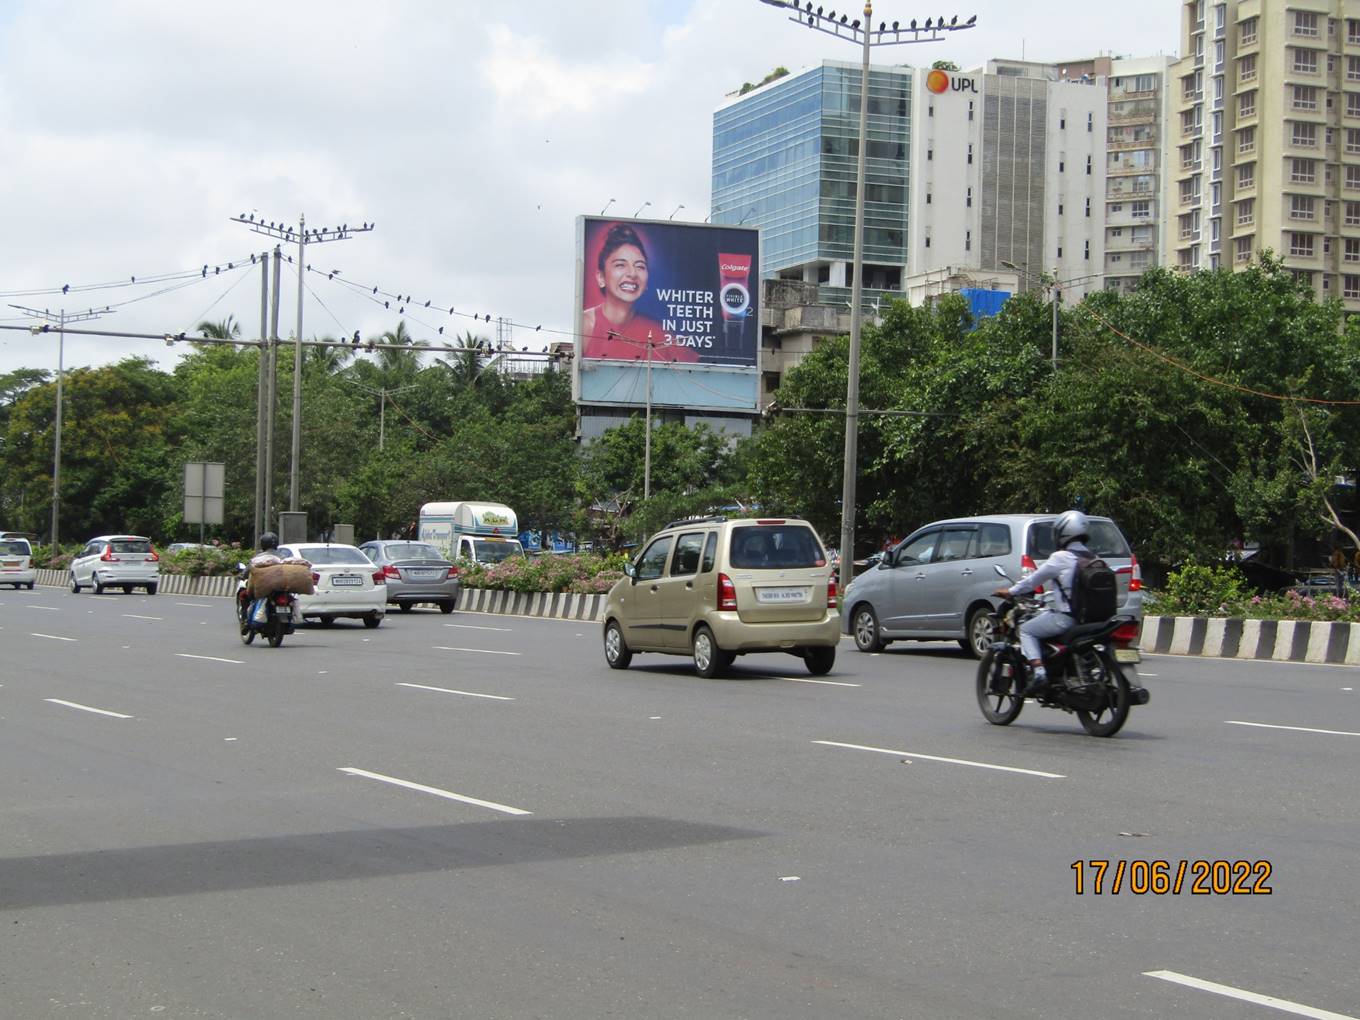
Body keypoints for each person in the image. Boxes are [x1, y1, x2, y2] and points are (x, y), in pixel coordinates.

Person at [992, 510, 1093, 694]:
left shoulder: (1061, 558)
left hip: (1067, 619)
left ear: (1063, 533)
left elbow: (1033, 580)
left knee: (1027, 630)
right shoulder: (1093, 557)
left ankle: (1039, 673)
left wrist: (1011, 591)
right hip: (1090, 620)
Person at [581, 224, 697, 363]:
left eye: (640, 266)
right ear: (601, 277)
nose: (632, 273)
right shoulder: (585, 325)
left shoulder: (659, 333)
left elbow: (698, 372)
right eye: (620, 265)